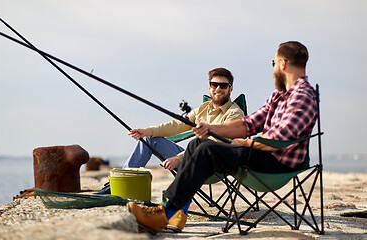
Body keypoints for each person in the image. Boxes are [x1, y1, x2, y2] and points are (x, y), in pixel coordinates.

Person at [127, 41, 319, 234]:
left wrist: (246, 143)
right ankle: (172, 212)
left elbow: (282, 137)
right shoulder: (280, 95)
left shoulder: (302, 95)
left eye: (274, 63)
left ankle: (164, 213)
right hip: (263, 154)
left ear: (283, 64)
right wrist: (211, 128)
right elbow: (249, 123)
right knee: (197, 144)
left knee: (206, 149)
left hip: (279, 163)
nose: (273, 69)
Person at [99, 67, 245, 232]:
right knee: (148, 139)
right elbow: (177, 125)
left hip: (212, 165)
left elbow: (216, 144)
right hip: (193, 156)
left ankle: (172, 212)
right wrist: (148, 130)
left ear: (230, 88)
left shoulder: (234, 113)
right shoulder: (203, 108)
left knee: (198, 146)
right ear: (209, 87)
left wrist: (179, 158)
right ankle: (119, 183)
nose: (218, 89)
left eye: (223, 86)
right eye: (214, 84)